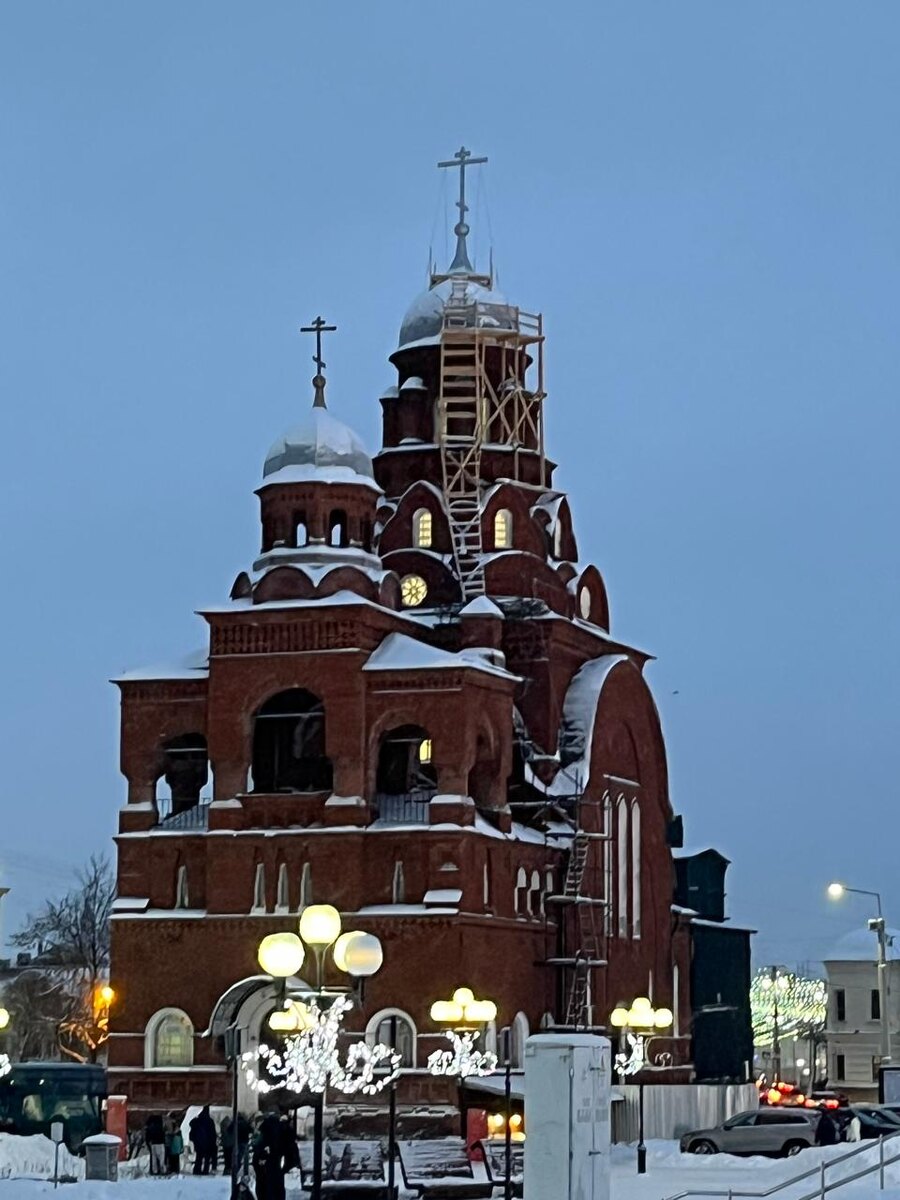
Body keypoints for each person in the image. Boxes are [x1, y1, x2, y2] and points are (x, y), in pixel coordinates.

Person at [190, 1104, 218, 1176]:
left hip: (198, 1143)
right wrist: (213, 1142)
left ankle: (197, 1170)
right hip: (208, 1143)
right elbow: (213, 1133)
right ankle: (205, 1170)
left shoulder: (197, 1120)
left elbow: (192, 1126)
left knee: (199, 1157)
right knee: (207, 1158)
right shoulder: (210, 1121)